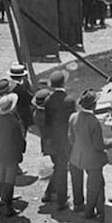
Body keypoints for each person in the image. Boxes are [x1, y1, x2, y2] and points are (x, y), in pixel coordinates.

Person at [69, 89, 112, 221]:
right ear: (94, 105)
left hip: (78, 156)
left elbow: (71, 138)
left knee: (96, 184)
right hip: (93, 159)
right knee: (95, 186)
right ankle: (90, 212)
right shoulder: (94, 122)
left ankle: (98, 210)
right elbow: (99, 145)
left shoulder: (73, 117)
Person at [43, 70, 76, 209]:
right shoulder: (69, 100)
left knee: (58, 167)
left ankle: (49, 192)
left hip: (52, 139)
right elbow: (72, 122)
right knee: (62, 169)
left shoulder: (48, 100)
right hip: (65, 139)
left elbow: (47, 122)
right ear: (63, 82)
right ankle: (61, 200)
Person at [0, 93, 25, 218]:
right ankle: (9, 207)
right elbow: (19, 140)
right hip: (11, 154)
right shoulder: (14, 122)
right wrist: (22, 150)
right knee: (9, 180)